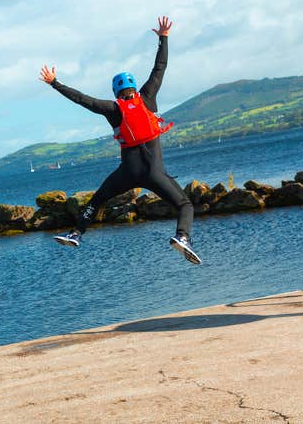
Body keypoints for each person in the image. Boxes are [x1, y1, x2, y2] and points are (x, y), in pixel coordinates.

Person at [38, 16, 201, 265]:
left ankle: (76, 233)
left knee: (98, 199)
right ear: (135, 87)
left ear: (116, 92)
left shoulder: (112, 109)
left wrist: (55, 83)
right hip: (154, 171)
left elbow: (83, 99)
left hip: (127, 172)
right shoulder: (147, 97)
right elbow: (160, 68)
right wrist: (163, 38)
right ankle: (182, 237)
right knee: (185, 205)